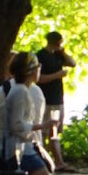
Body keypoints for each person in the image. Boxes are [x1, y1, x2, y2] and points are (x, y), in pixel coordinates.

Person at [34, 30, 72, 165]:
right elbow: (38, 79)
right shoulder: (40, 56)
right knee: (43, 131)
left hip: (58, 99)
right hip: (46, 99)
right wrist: (57, 75)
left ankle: (59, 162)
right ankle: (43, 160)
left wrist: (63, 52)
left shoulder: (58, 55)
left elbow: (72, 63)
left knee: (54, 131)